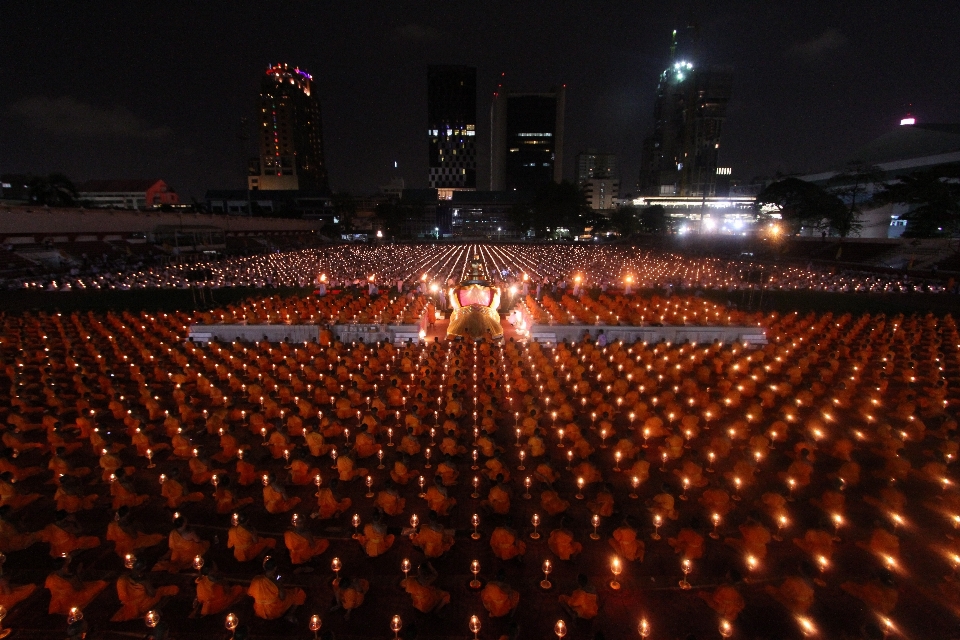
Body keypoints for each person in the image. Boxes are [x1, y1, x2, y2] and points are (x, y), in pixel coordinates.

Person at [110, 559, 179, 622]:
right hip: (143, 604)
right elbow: (152, 594)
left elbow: (122, 596)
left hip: (128, 605)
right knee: (162, 590)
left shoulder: (122, 578)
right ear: (142, 569)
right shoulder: (143, 580)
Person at [44, 555, 109, 616]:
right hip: (73, 600)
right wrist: (77, 573)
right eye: (66, 566)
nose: (68, 567)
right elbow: (80, 588)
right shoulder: (69, 579)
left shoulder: (50, 577)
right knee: (101, 584)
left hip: (58, 603)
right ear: (63, 567)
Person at [248, 556, 305, 621]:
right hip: (273, 611)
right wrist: (280, 587)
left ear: (264, 567)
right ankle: (290, 614)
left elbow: (250, 593)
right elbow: (283, 597)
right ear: (275, 568)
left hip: (259, 610)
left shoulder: (256, 579)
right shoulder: (276, 583)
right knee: (298, 592)